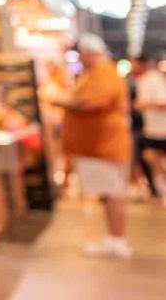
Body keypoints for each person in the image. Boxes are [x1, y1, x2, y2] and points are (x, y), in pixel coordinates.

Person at [48, 33, 133, 258]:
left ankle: (117, 240)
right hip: (98, 145)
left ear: (89, 53)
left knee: (112, 192)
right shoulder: (96, 73)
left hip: (103, 146)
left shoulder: (103, 73)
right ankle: (115, 238)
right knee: (109, 193)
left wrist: (58, 100)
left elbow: (90, 103)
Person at [135, 55, 166, 202]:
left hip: (159, 129)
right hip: (152, 129)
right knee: (151, 158)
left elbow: (162, 103)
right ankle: (159, 189)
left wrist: (145, 104)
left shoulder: (154, 80)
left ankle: (160, 188)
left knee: (153, 158)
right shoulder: (145, 80)